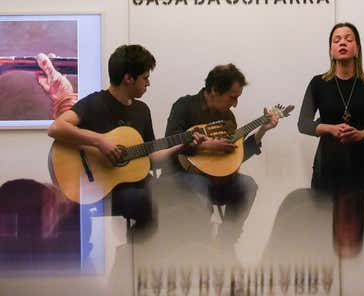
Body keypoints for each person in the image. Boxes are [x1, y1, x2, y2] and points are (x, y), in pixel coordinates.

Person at [48, 44, 201, 230]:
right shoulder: (95, 103)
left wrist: (182, 146)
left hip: (136, 184)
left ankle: (151, 254)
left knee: (184, 195)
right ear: (128, 78)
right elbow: (56, 128)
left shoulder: (142, 111)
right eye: (145, 78)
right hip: (100, 189)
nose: (148, 83)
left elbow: (149, 159)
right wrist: (99, 141)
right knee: (149, 202)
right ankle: (132, 255)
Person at [162, 63, 278, 249]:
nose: (235, 103)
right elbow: (170, 142)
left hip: (214, 181)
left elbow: (233, 160)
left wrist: (262, 131)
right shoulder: (184, 106)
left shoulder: (228, 118)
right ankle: (200, 246)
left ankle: (224, 243)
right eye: (232, 97)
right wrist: (207, 146)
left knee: (247, 185)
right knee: (201, 185)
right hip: (178, 177)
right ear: (215, 90)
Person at [298, 22, 364, 192]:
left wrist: (362, 134)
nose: (342, 43)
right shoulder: (318, 83)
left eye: (348, 39)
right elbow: (303, 124)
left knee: (358, 216)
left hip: (360, 165)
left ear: (357, 48)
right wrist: (330, 128)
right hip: (326, 166)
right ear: (331, 50)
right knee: (321, 217)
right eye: (337, 40)